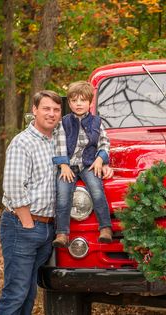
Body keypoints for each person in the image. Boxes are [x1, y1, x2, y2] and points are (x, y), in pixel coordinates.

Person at [0, 90, 62, 314]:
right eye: (46, 108)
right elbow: (14, 187)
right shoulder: (23, 143)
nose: (51, 114)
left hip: (46, 228)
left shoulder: (56, 142)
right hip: (23, 226)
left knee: (28, 293)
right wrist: (27, 224)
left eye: (56, 109)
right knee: (15, 292)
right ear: (34, 110)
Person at [52, 81, 114, 247]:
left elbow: (104, 142)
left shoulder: (97, 122)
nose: (78, 104)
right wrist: (63, 165)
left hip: (88, 164)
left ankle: (105, 228)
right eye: (74, 100)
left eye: (82, 100)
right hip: (68, 166)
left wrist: (100, 159)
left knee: (97, 190)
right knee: (63, 195)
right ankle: (62, 233)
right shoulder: (63, 123)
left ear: (90, 103)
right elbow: (59, 144)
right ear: (70, 103)